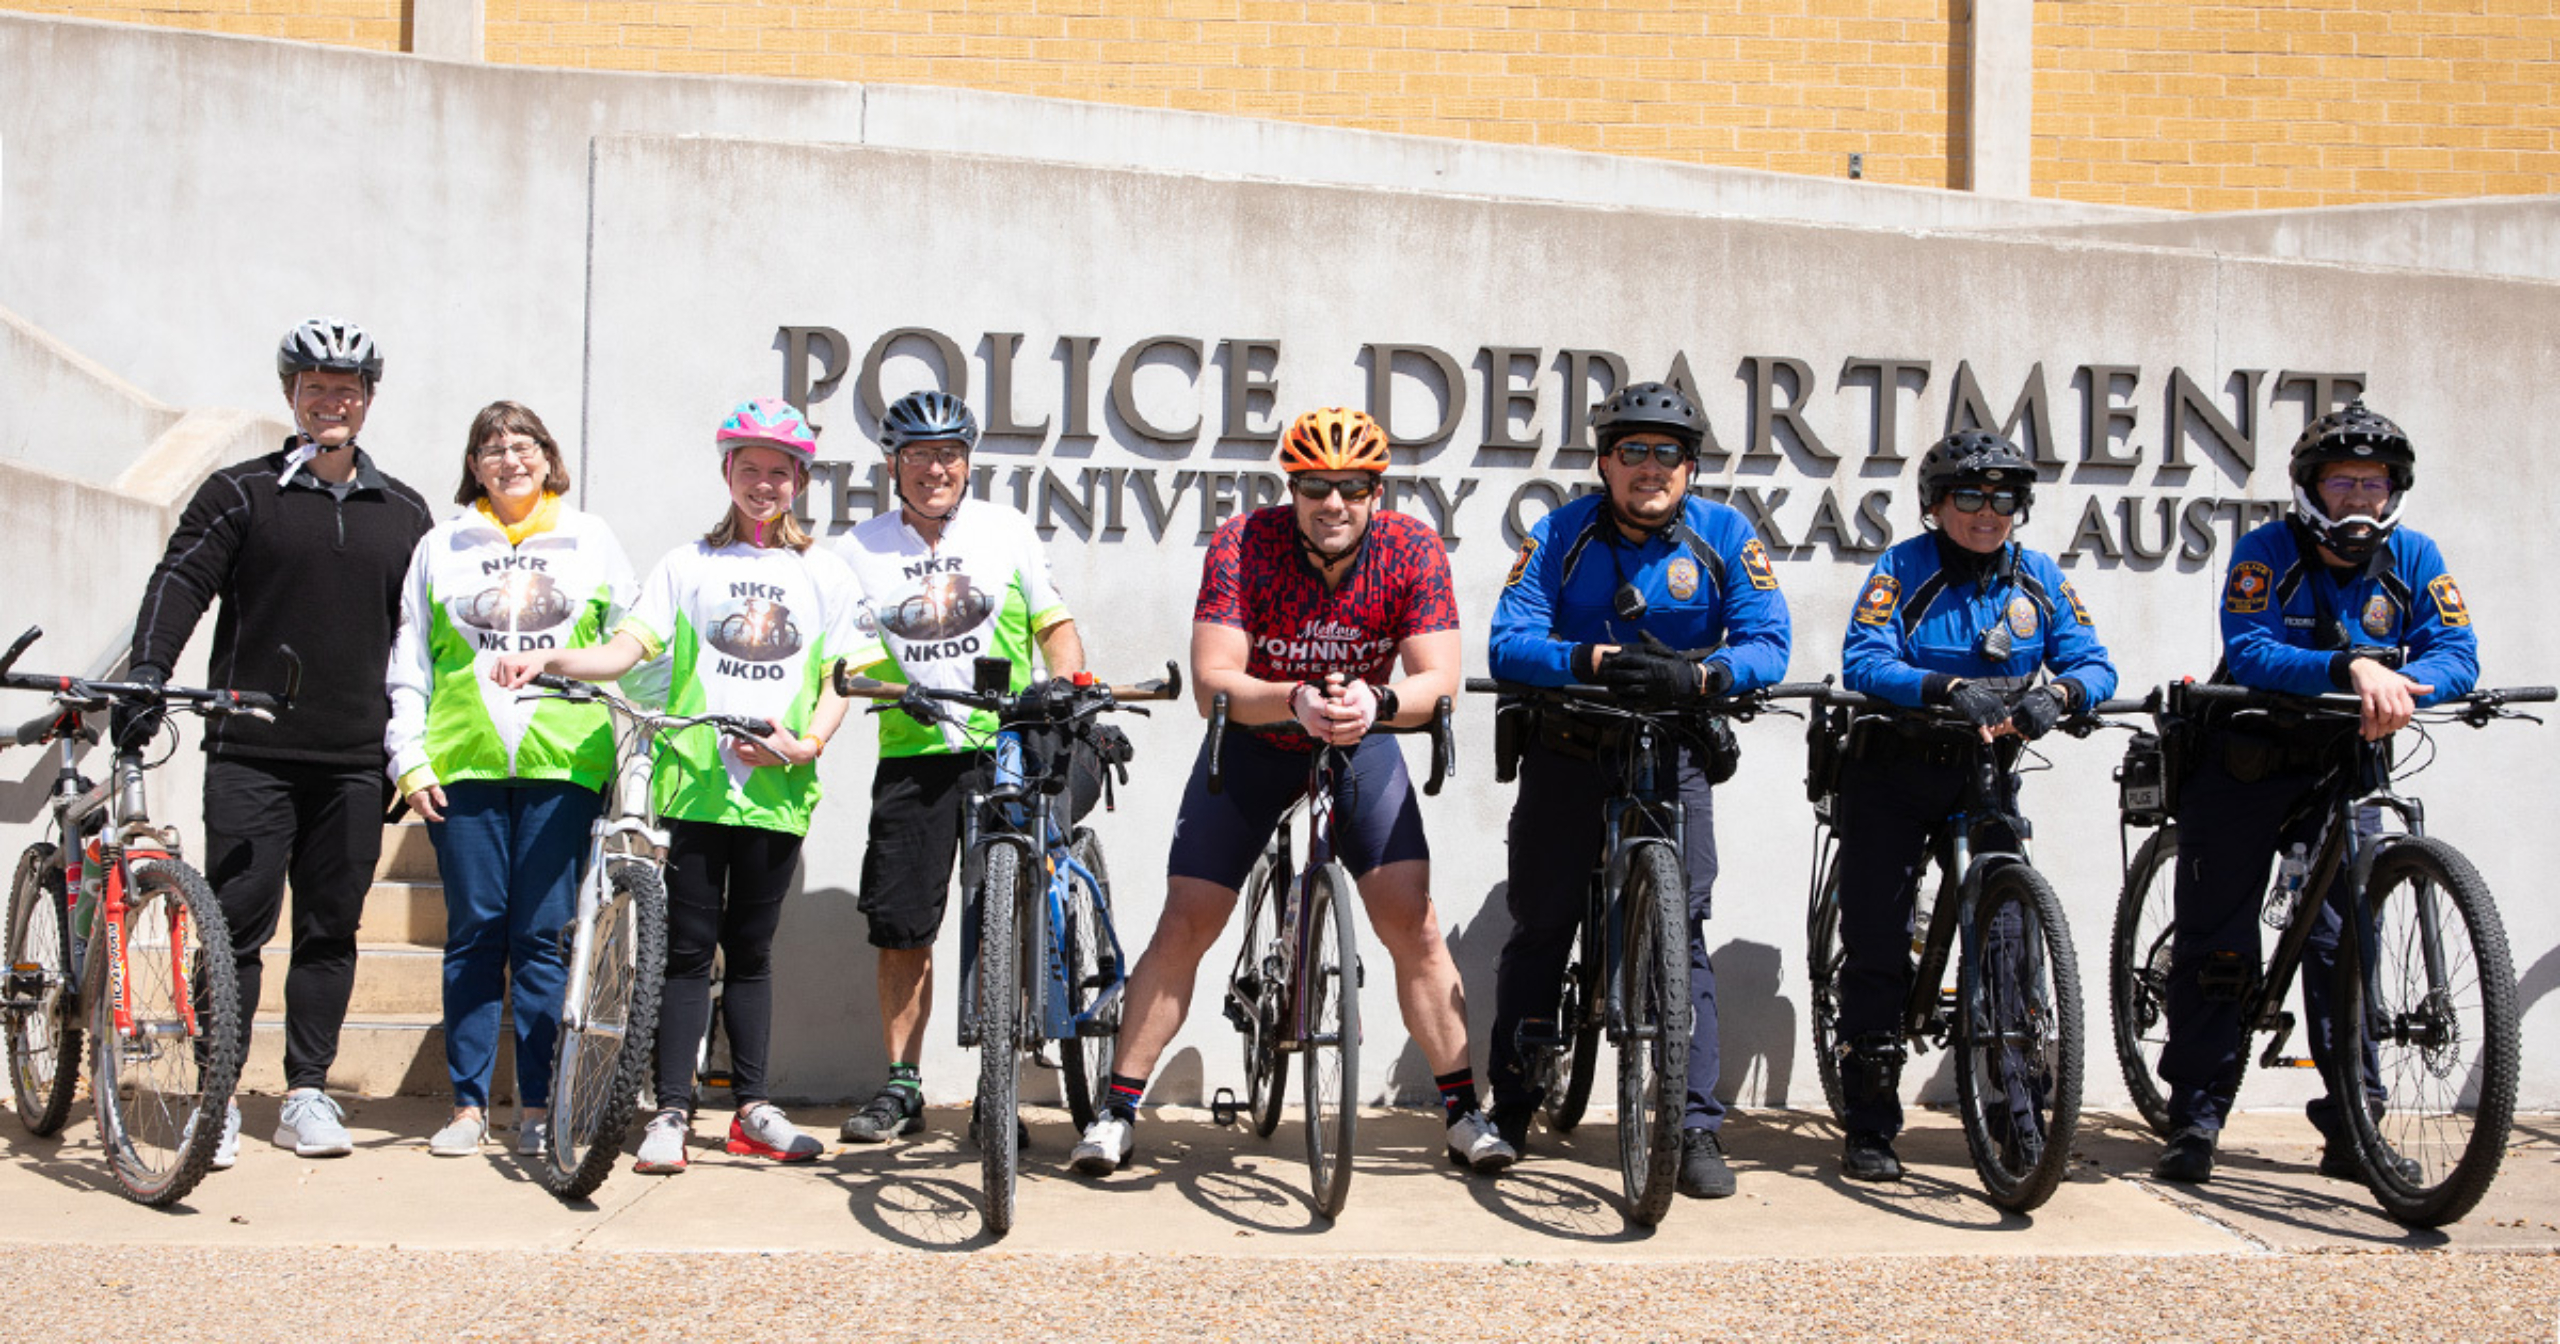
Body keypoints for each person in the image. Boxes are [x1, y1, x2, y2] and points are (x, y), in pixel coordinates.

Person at [1067, 406, 1515, 1177]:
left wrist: (1376, 703)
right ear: (1292, 489)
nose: (1332, 502)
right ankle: (1117, 1110)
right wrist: (1297, 699)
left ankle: (1463, 1111)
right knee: (1188, 921)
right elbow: (1215, 676)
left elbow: (1437, 677)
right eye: (1314, 486)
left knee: (1415, 923)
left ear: (1376, 491)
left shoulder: (1412, 548)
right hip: (1255, 743)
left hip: (1361, 741)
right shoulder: (1246, 543)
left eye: (1350, 487)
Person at [492, 397, 861, 1173]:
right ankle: (671, 1112)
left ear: (800, 480)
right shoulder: (687, 564)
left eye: (779, 473)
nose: (764, 485)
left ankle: (753, 1108)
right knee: (687, 951)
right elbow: (626, 650)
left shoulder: (824, 570)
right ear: (728, 473)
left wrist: (807, 745)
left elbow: (842, 678)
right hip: (694, 782)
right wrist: (549, 658)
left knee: (752, 951)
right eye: (750, 470)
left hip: (775, 790)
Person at [120, 317, 434, 1165]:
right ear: (290, 395)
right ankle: (214, 1096)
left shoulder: (405, 511)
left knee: (332, 931)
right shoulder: (242, 492)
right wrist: (150, 669)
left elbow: (425, 642)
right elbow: (182, 577)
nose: (332, 401)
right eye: (315, 387)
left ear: (369, 401)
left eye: (347, 389)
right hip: (251, 751)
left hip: (354, 762)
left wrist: (415, 747)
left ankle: (307, 1095)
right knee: (233, 929)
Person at [2152, 400, 2476, 1184]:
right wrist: (2350, 668)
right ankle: (2196, 1117)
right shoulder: (2267, 550)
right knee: (2220, 942)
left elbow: (2456, 652)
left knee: (2345, 947)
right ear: (2311, 488)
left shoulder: (2416, 556)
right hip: (2246, 761)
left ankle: (2353, 1126)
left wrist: (2407, 685)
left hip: (2346, 766)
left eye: (2374, 481)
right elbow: (2252, 648)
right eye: (2343, 481)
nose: (2360, 496)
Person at [1485, 381, 1793, 1199]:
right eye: (1633, 452)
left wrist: (1705, 674)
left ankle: (1692, 1126)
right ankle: (1511, 1101)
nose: (1649, 468)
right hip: (1569, 746)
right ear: (1604, 462)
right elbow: (1507, 641)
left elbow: (1770, 641)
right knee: (1542, 923)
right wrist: (1585, 661)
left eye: (1667, 454)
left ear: (1689, 469)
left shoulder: (1725, 533)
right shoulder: (1561, 532)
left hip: (1671, 751)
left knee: (1681, 927)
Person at [1829, 429, 2115, 1182]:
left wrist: (2063, 692)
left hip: (1985, 774)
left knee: (2010, 944)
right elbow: (1864, 658)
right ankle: (1869, 1122)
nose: (1988, 513)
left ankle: (2015, 1115)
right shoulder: (1903, 568)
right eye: (1969, 497)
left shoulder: (2038, 577)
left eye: (2003, 499)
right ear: (1935, 504)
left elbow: (2094, 660)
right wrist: (1946, 688)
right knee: (1878, 946)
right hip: (1894, 769)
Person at [832, 390, 1090, 1146]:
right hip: (914, 753)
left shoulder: (1005, 529)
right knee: (903, 926)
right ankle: (903, 1086)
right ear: (893, 466)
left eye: (947, 454)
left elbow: (1056, 627)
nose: (934, 469)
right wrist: (882, 683)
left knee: (1005, 912)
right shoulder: (859, 547)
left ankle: (997, 1083)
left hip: (1002, 746)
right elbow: (846, 654)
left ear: (968, 461)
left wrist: (1065, 691)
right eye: (918, 456)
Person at [386, 401, 635, 1158]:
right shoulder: (440, 545)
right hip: (463, 764)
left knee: (539, 939)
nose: (508, 459)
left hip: (566, 763)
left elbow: (636, 643)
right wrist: (408, 757)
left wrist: (642, 755)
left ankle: (536, 1106)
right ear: (473, 466)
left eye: (522, 444)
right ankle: (467, 1107)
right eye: (490, 448)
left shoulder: (590, 538)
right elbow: (411, 660)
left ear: (548, 457)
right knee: (472, 936)